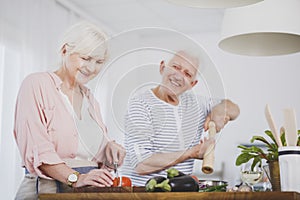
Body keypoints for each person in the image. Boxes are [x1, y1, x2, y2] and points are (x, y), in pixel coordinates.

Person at [13, 21, 126, 199]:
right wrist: (75, 178)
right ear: (65, 50)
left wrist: (110, 152)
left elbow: (92, 155)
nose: (92, 68)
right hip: (46, 190)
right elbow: (38, 149)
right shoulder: (36, 84)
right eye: (86, 58)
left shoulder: (90, 99)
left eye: (99, 62)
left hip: (84, 193)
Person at [122, 50, 240, 186]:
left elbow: (233, 108)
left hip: (180, 193)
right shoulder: (140, 105)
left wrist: (219, 111)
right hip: (143, 194)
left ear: (192, 84)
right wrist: (191, 153)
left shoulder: (197, 104)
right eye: (176, 67)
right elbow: (141, 164)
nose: (178, 76)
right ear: (162, 67)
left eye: (187, 74)